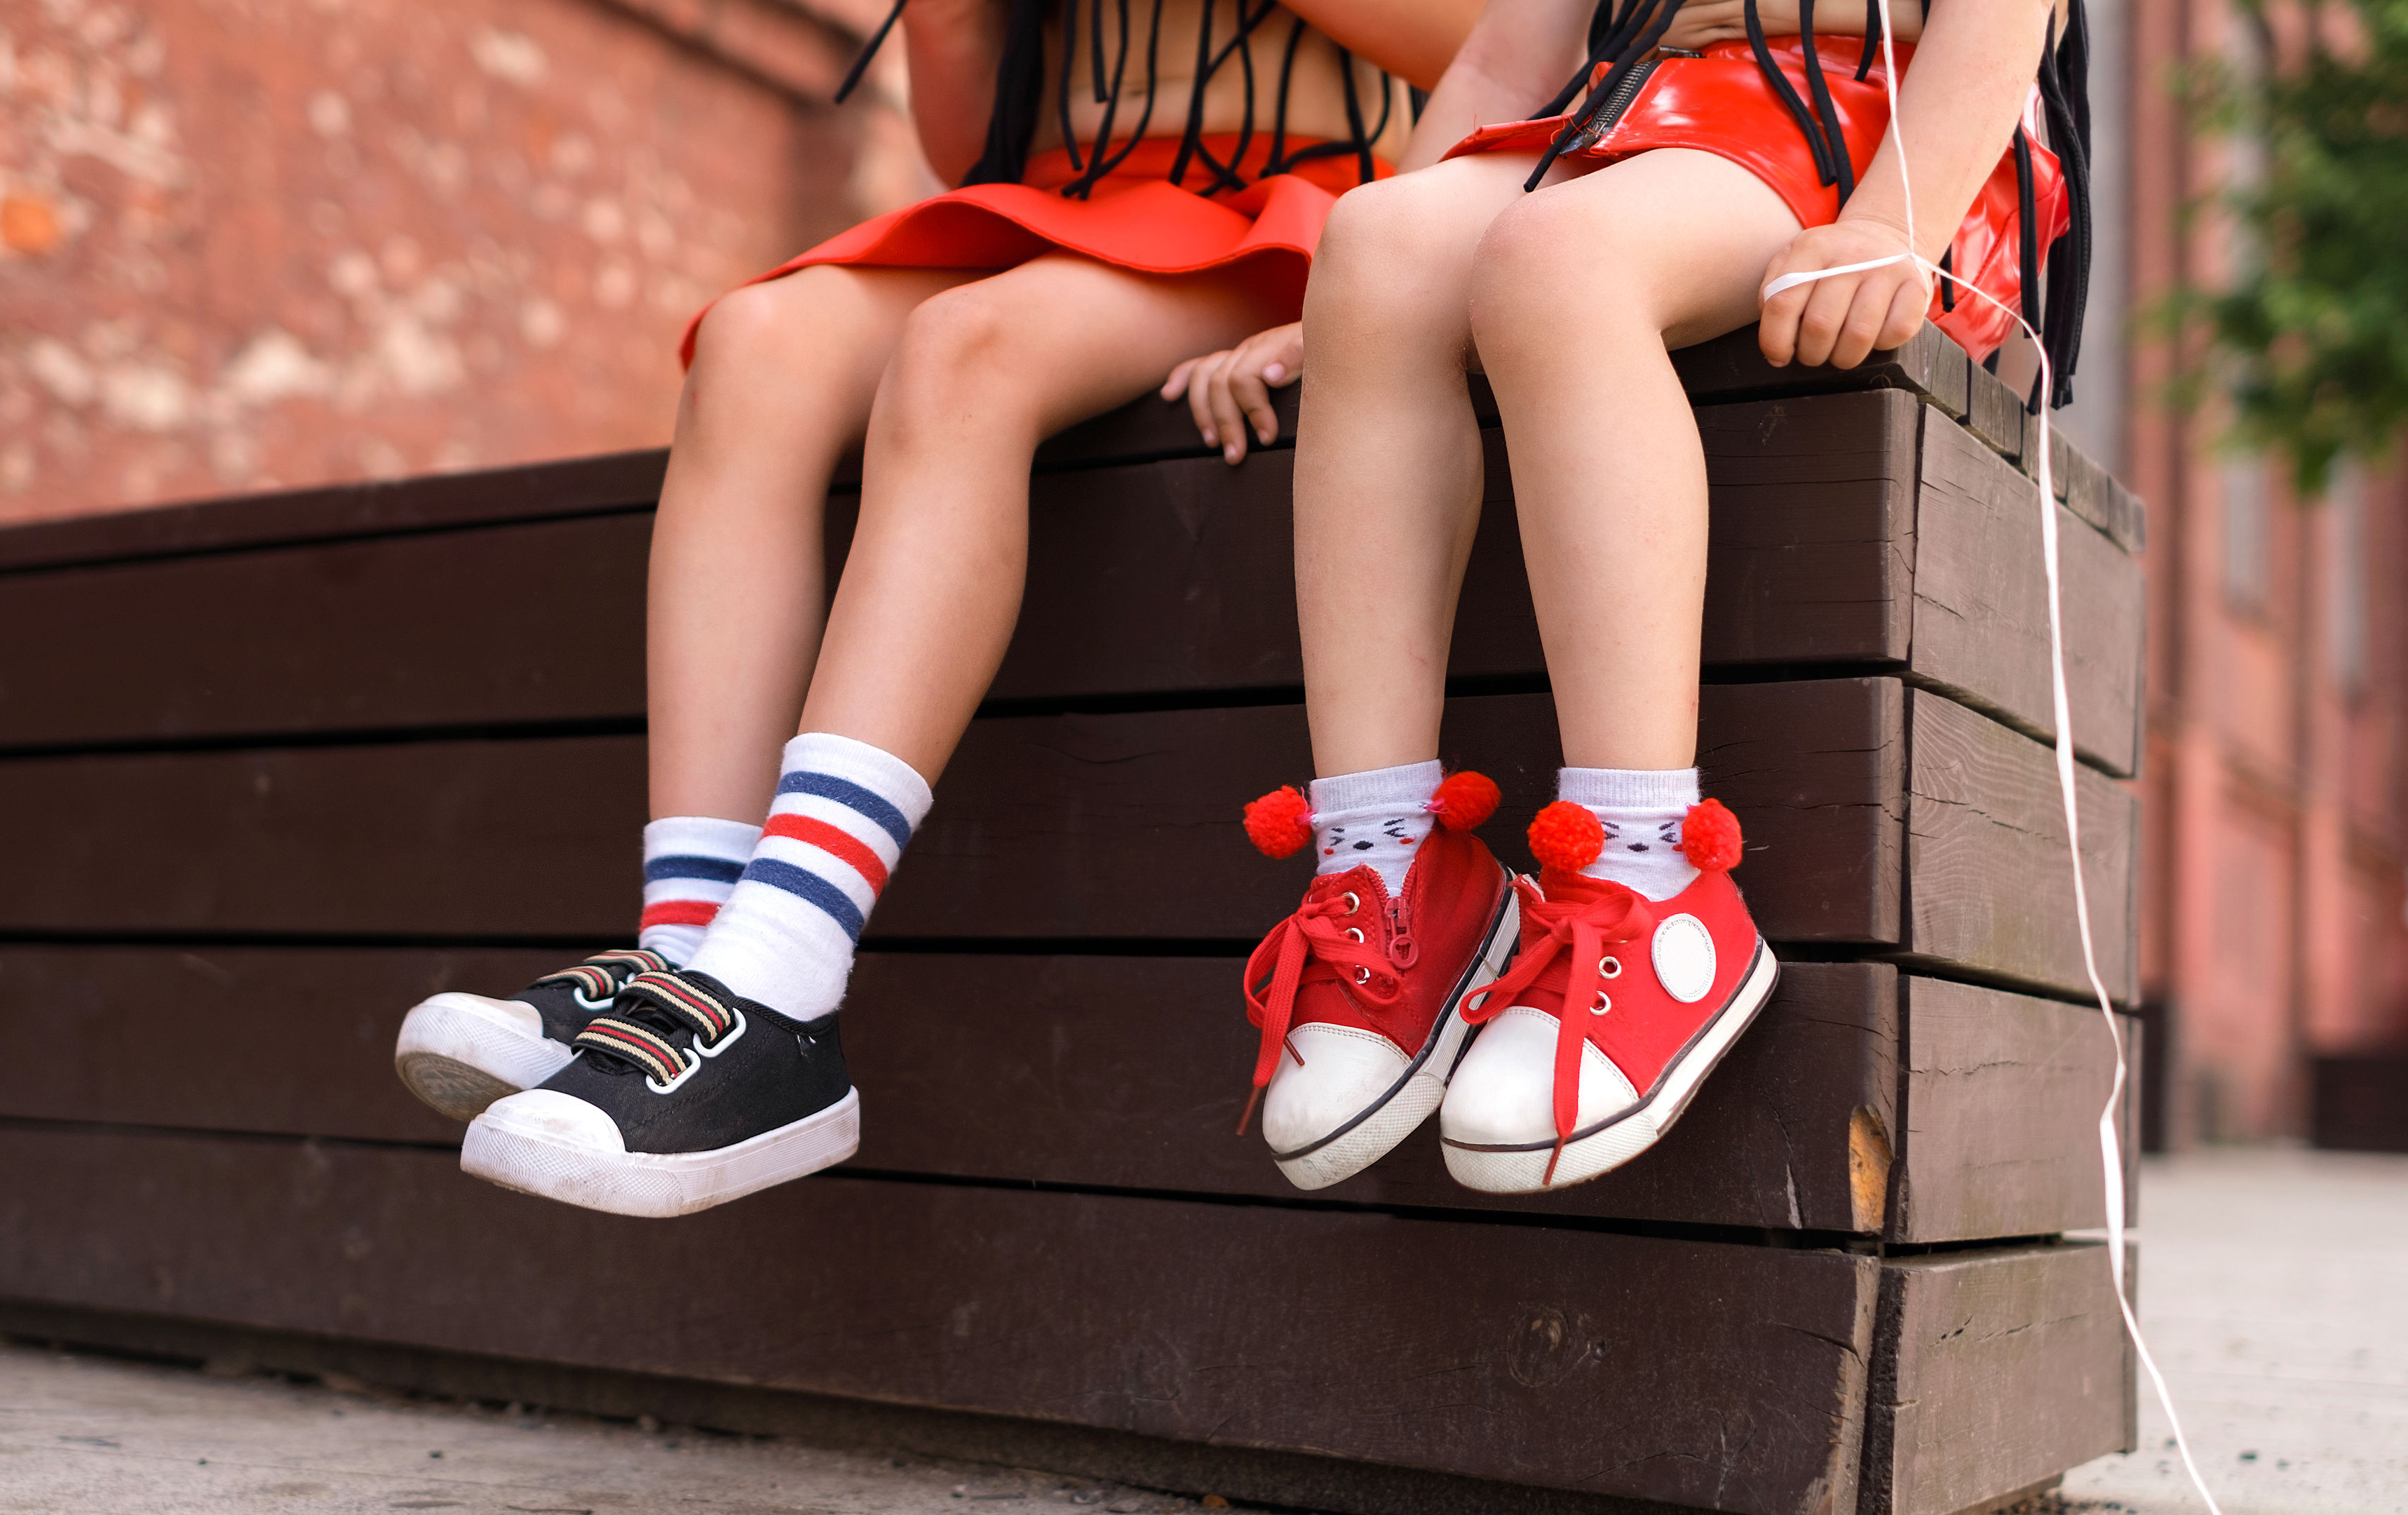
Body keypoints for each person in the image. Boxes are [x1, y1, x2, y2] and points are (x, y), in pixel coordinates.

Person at [388, 0, 1480, 1218]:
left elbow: (1494, 47)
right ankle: (688, 953)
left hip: (1293, 218)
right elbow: (977, 145)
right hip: (1060, 214)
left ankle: (782, 979)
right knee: (754, 345)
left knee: (964, 350)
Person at [1229, 0, 2089, 1193]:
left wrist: (1901, 215)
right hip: (1650, 118)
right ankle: (1389, 869)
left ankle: (1649, 877)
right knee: (1373, 247)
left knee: (1555, 260)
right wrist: (1340, 312)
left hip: (1877, 121)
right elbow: (1504, 52)